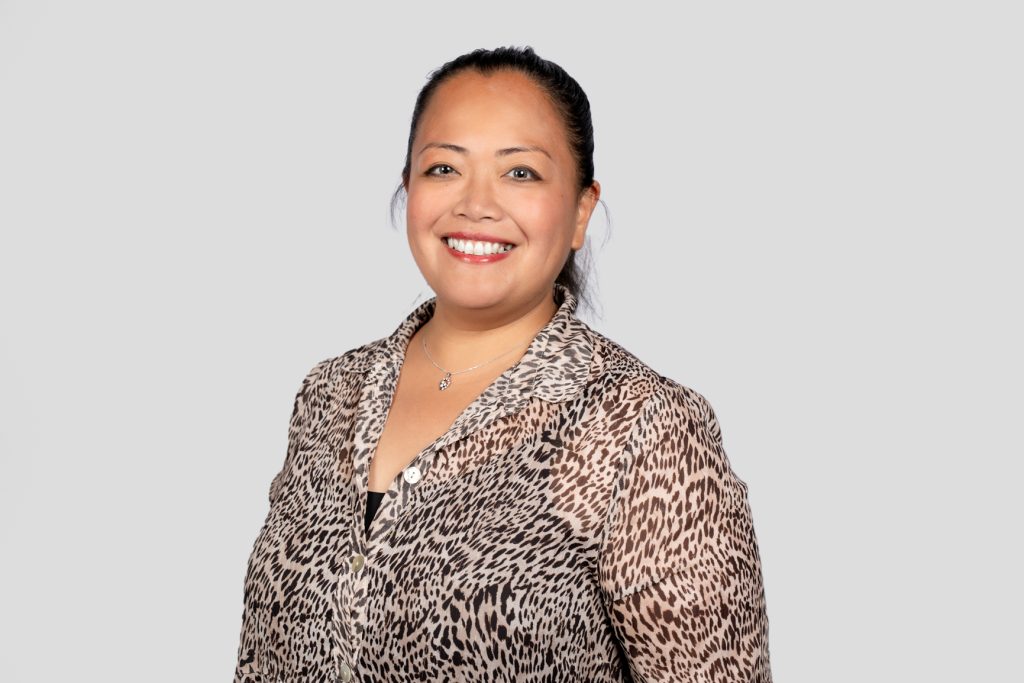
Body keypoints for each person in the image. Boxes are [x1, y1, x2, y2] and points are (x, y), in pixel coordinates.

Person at [233, 45, 772, 682]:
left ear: (581, 210)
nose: (476, 204)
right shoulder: (330, 395)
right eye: (443, 168)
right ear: (408, 189)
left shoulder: (641, 425)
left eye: (520, 172)